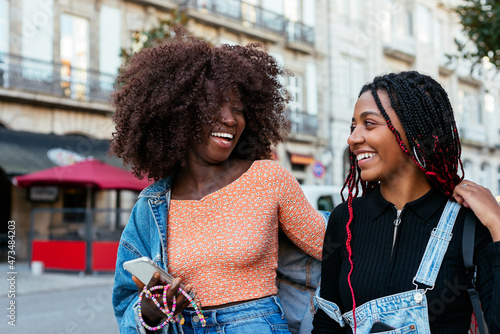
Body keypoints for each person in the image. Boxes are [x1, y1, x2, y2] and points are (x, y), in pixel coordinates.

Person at [110, 28, 327, 334]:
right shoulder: (153, 204)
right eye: (213, 107)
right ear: (178, 114)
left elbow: (336, 247)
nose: (230, 119)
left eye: (238, 109)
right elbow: (126, 302)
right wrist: (150, 311)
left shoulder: (267, 178)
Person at [312, 71, 500, 333]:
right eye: (353, 126)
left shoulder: (467, 223)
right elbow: (327, 324)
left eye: (369, 124)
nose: (353, 138)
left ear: (414, 132)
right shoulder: (344, 219)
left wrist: (497, 225)